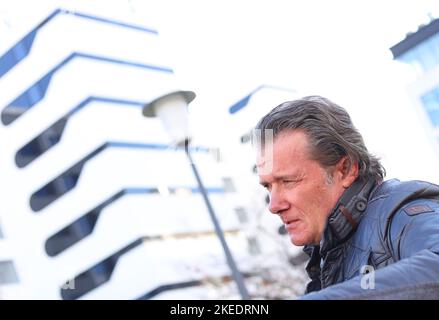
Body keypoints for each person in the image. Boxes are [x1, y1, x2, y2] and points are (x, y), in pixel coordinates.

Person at [254, 95, 439, 299]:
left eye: (288, 181)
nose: (273, 205)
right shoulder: (328, 258)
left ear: (346, 169)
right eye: (268, 187)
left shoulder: (400, 212)